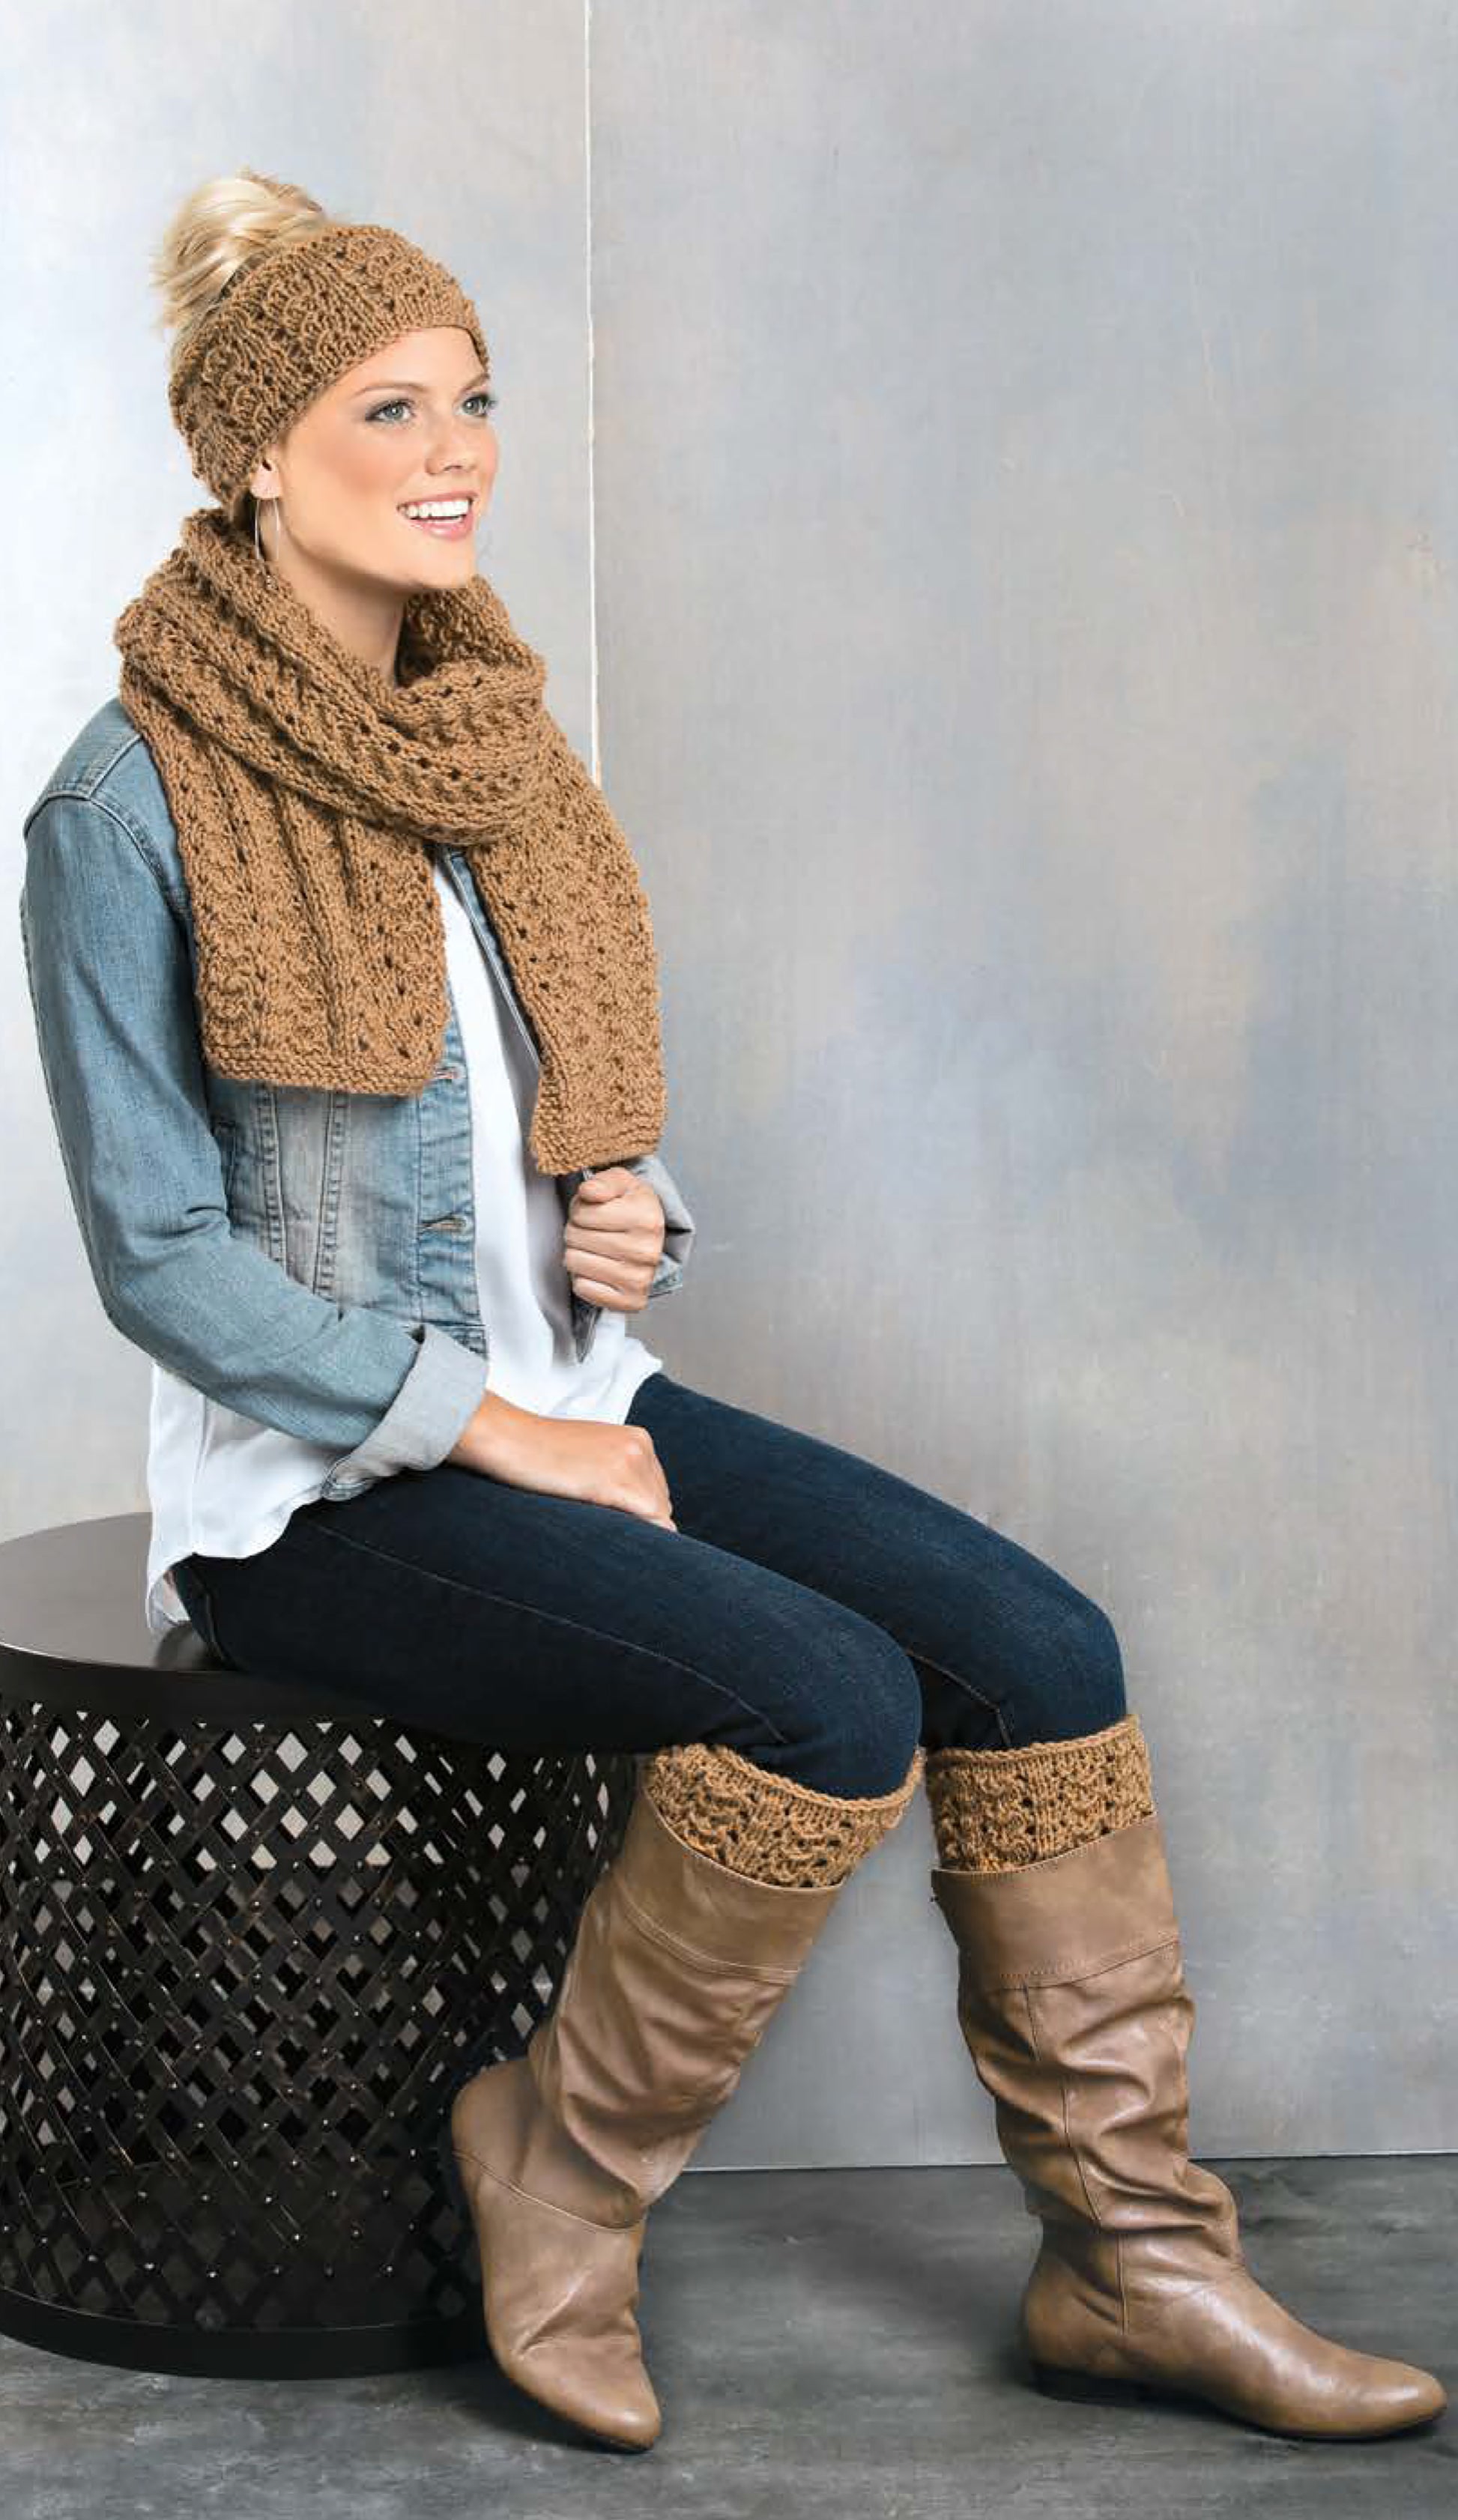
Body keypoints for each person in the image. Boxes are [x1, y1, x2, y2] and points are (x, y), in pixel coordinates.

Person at [18, 169, 1444, 2458]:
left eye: (472, 394)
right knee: (824, 1695)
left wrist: (626, 1214)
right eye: (392, 406)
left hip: (580, 1384)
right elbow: (166, 1257)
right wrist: (495, 1426)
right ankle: (555, 2173)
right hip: (328, 1482)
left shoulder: (490, 748)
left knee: (1043, 1648)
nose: (457, 442)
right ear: (259, 453)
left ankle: (1134, 2257)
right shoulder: (126, 801)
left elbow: (524, 1128)